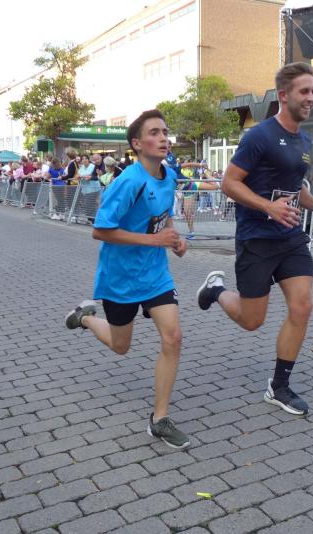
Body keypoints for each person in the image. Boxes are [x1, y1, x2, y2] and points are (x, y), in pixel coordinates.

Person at [196, 62, 313, 416]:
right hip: (256, 237)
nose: (311, 98)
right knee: (251, 320)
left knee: (302, 306)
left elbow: (295, 186)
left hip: (290, 237)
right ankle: (216, 291)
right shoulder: (259, 136)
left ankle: (279, 386)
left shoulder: (304, 139)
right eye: (304, 91)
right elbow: (229, 183)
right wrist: (267, 207)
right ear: (284, 96)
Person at [65, 109, 191, 448]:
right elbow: (101, 230)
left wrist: (174, 238)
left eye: (165, 131)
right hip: (120, 278)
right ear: (137, 143)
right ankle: (87, 318)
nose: (164, 138)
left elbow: (161, 218)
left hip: (155, 275)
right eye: (154, 133)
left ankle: (160, 420)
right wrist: (155, 240)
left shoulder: (169, 176)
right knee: (121, 346)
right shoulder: (128, 181)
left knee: (173, 337)